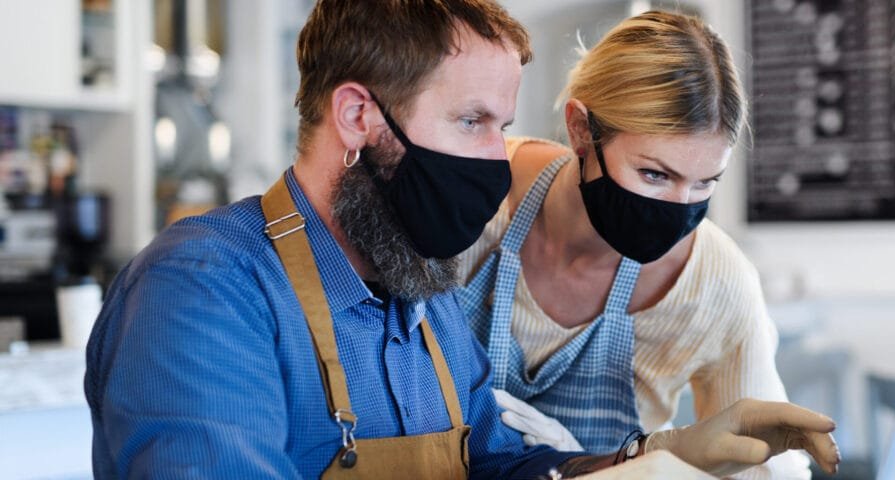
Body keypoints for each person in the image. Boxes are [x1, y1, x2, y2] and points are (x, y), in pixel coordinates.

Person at [85, 1, 839, 478]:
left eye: (502, 128)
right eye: (473, 123)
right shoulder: (205, 289)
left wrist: (658, 457)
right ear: (358, 117)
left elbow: (502, 466)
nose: (497, 159)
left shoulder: (425, 296)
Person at [457, 10, 812, 479]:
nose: (679, 207)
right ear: (581, 129)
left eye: (705, 182)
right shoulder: (472, 195)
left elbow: (767, 469)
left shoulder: (714, 281)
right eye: (654, 174)